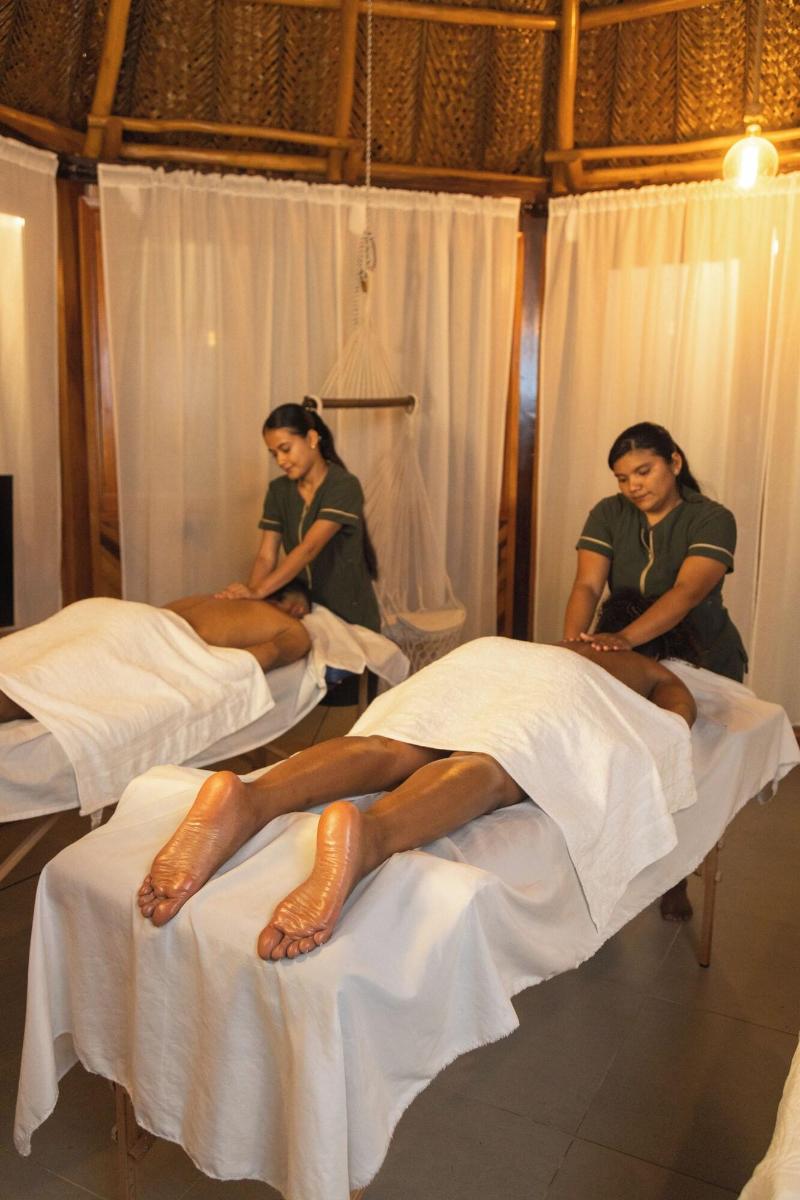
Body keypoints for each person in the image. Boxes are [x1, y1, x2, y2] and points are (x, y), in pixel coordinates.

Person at [137, 593, 699, 961]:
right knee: (488, 765)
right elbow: (676, 722)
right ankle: (372, 834)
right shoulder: (643, 665)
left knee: (395, 744)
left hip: (486, 658)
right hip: (561, 688)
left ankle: (254, 797)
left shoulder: (556, 643)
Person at [562, 421, 747, 919]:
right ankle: (614, 866)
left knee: (693, 774)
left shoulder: (712, 519)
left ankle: (678, 878)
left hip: (703, 658)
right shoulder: (608, 513)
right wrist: (574, 646)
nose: (633, 486)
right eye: (623, 478)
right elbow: (587, 586)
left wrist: (624, 638)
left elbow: (687, 593)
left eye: (643, 471)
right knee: (622, 763)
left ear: (674, 462)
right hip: (630, 658)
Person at [0, 580, 312, 724]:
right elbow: (259, 659)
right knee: (46, 688)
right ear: (297, 607)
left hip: (109, 613)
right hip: (149, 634)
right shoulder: (290, 626)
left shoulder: (214, 597)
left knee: (31, 655)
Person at [216, 402, 381, 632]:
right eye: (274, 454)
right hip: (308, 615)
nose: (280, 461)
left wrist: (259, 591)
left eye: (285, 449)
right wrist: (250, 601)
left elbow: (309, 549)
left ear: (312, 439)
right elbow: (266, 556)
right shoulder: (279, 491)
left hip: (350, 617)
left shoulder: (343, 486)